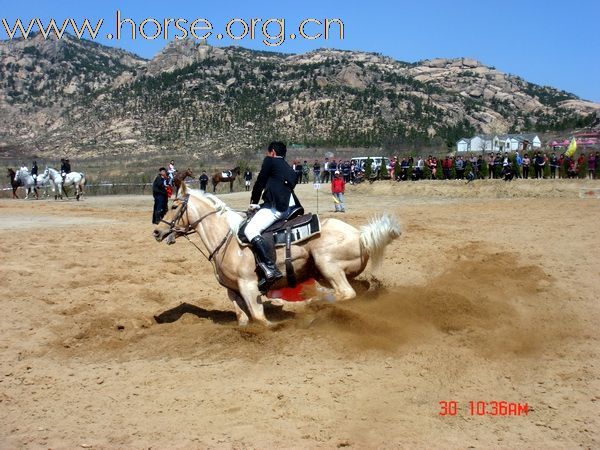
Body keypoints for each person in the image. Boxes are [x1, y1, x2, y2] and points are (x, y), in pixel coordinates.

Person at [245, 141, 301, 289]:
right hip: (289, 208)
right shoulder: (289, 169)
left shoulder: (270, 161)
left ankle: (270, 267)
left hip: (275, 209)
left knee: (250, 230)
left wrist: (253, 202)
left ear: (273, 153)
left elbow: (260, 183)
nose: (266, 155)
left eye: (267, 152)